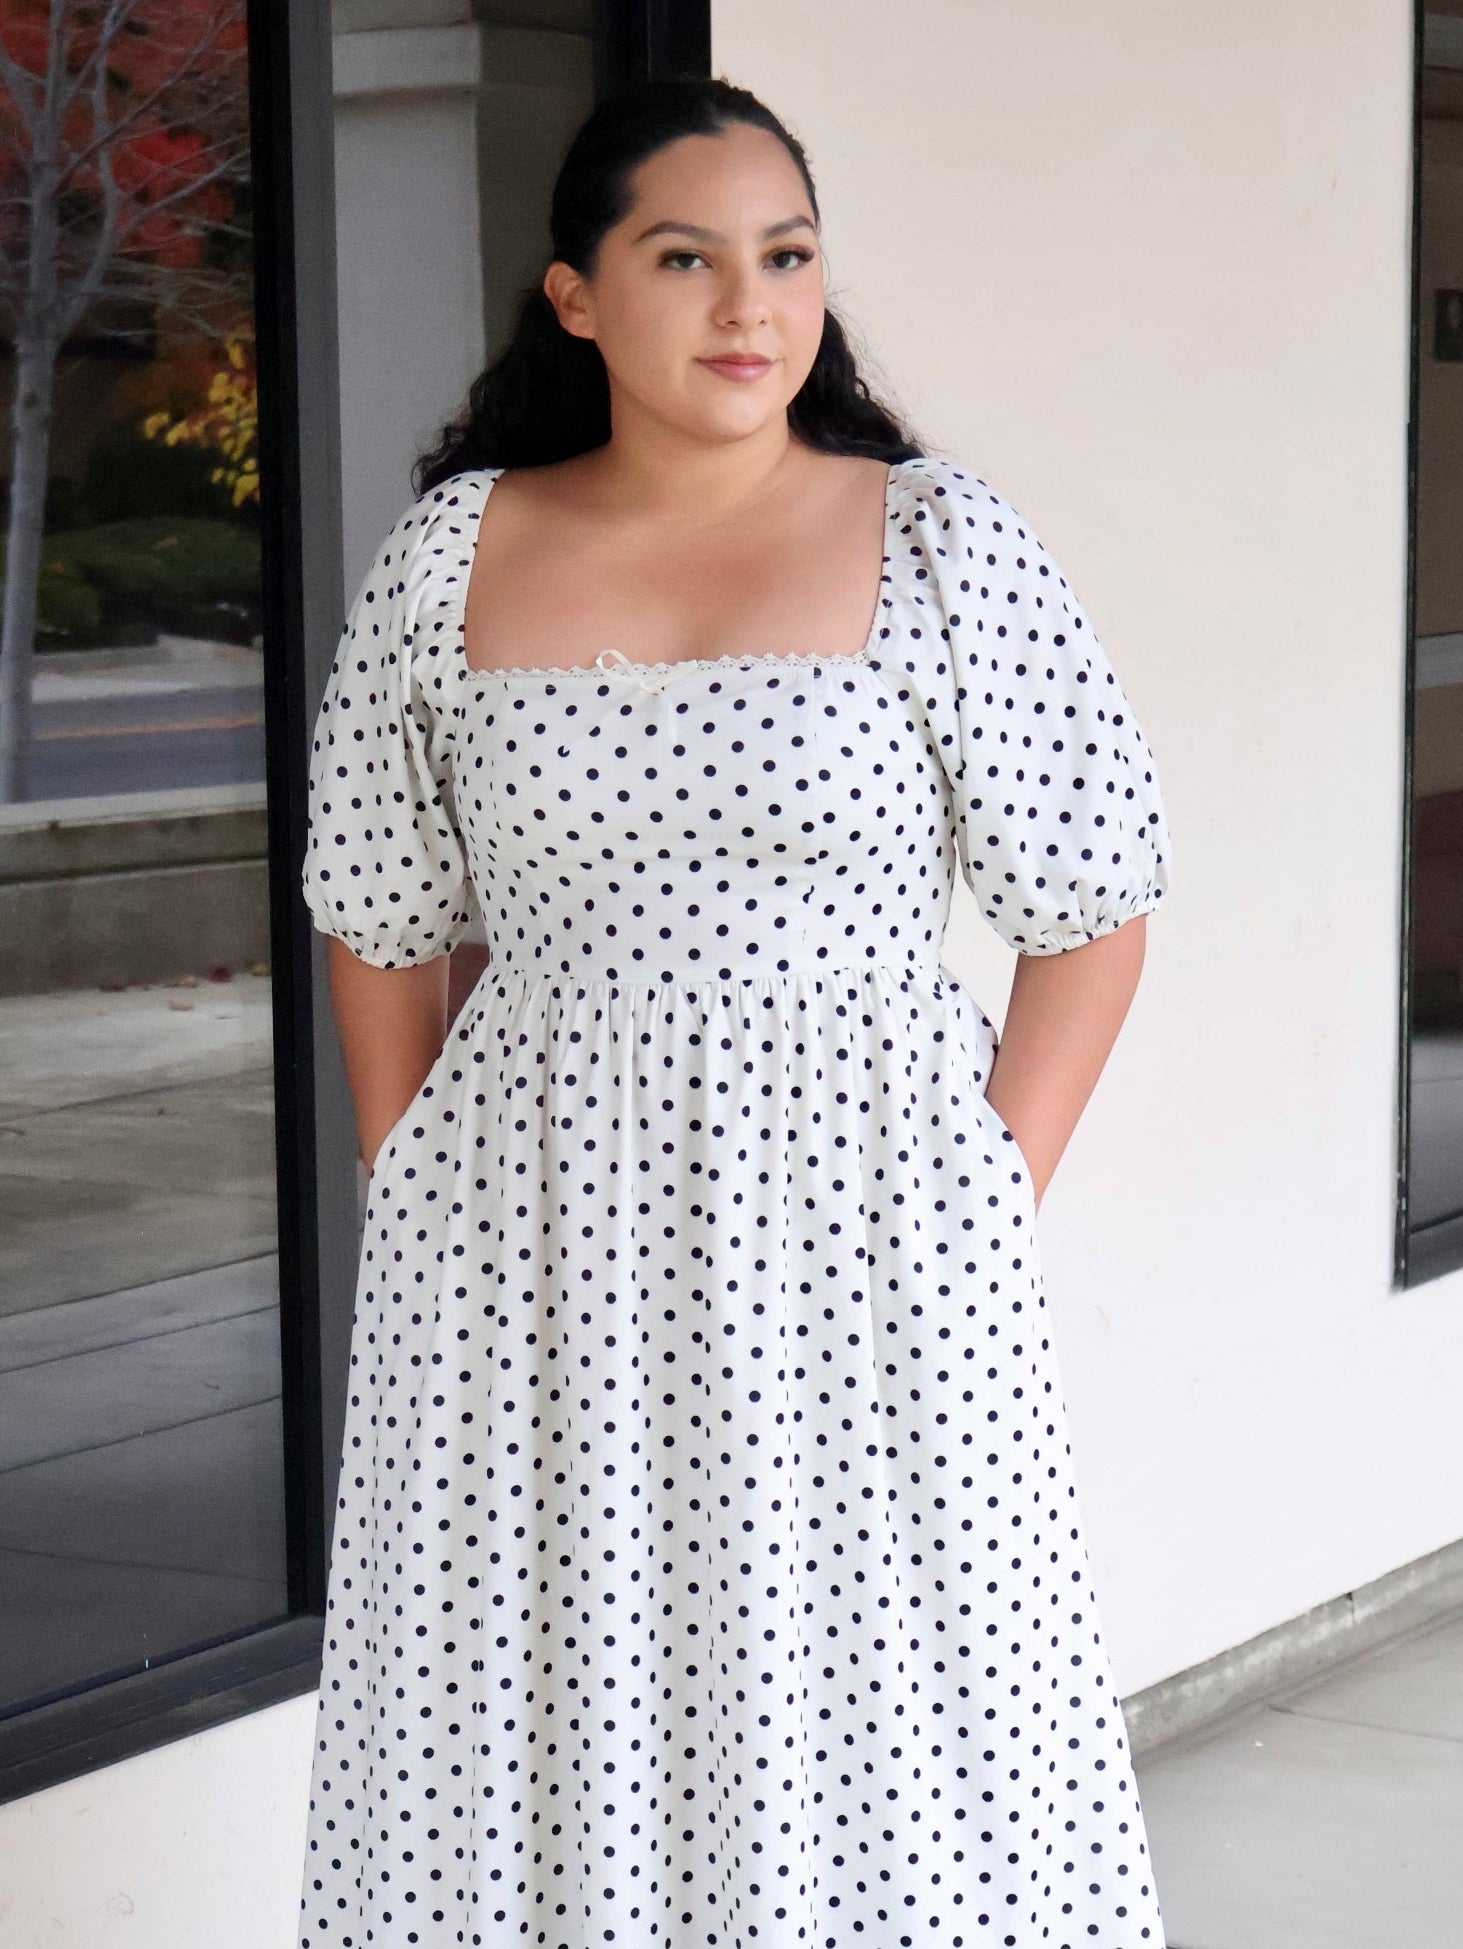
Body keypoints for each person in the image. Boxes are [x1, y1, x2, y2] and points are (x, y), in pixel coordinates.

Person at [297, 72, 1173, 1949]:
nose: (748, 305)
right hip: (527, 1251)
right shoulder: (454, 555)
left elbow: (1094, 908)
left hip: (875, 1238)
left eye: (785, 255)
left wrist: (985, 1191)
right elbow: (377, 910)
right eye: (684, 258)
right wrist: (410, 1181)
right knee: (541, 1699)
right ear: (577, 296)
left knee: (890, 1712)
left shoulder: (938, 541)